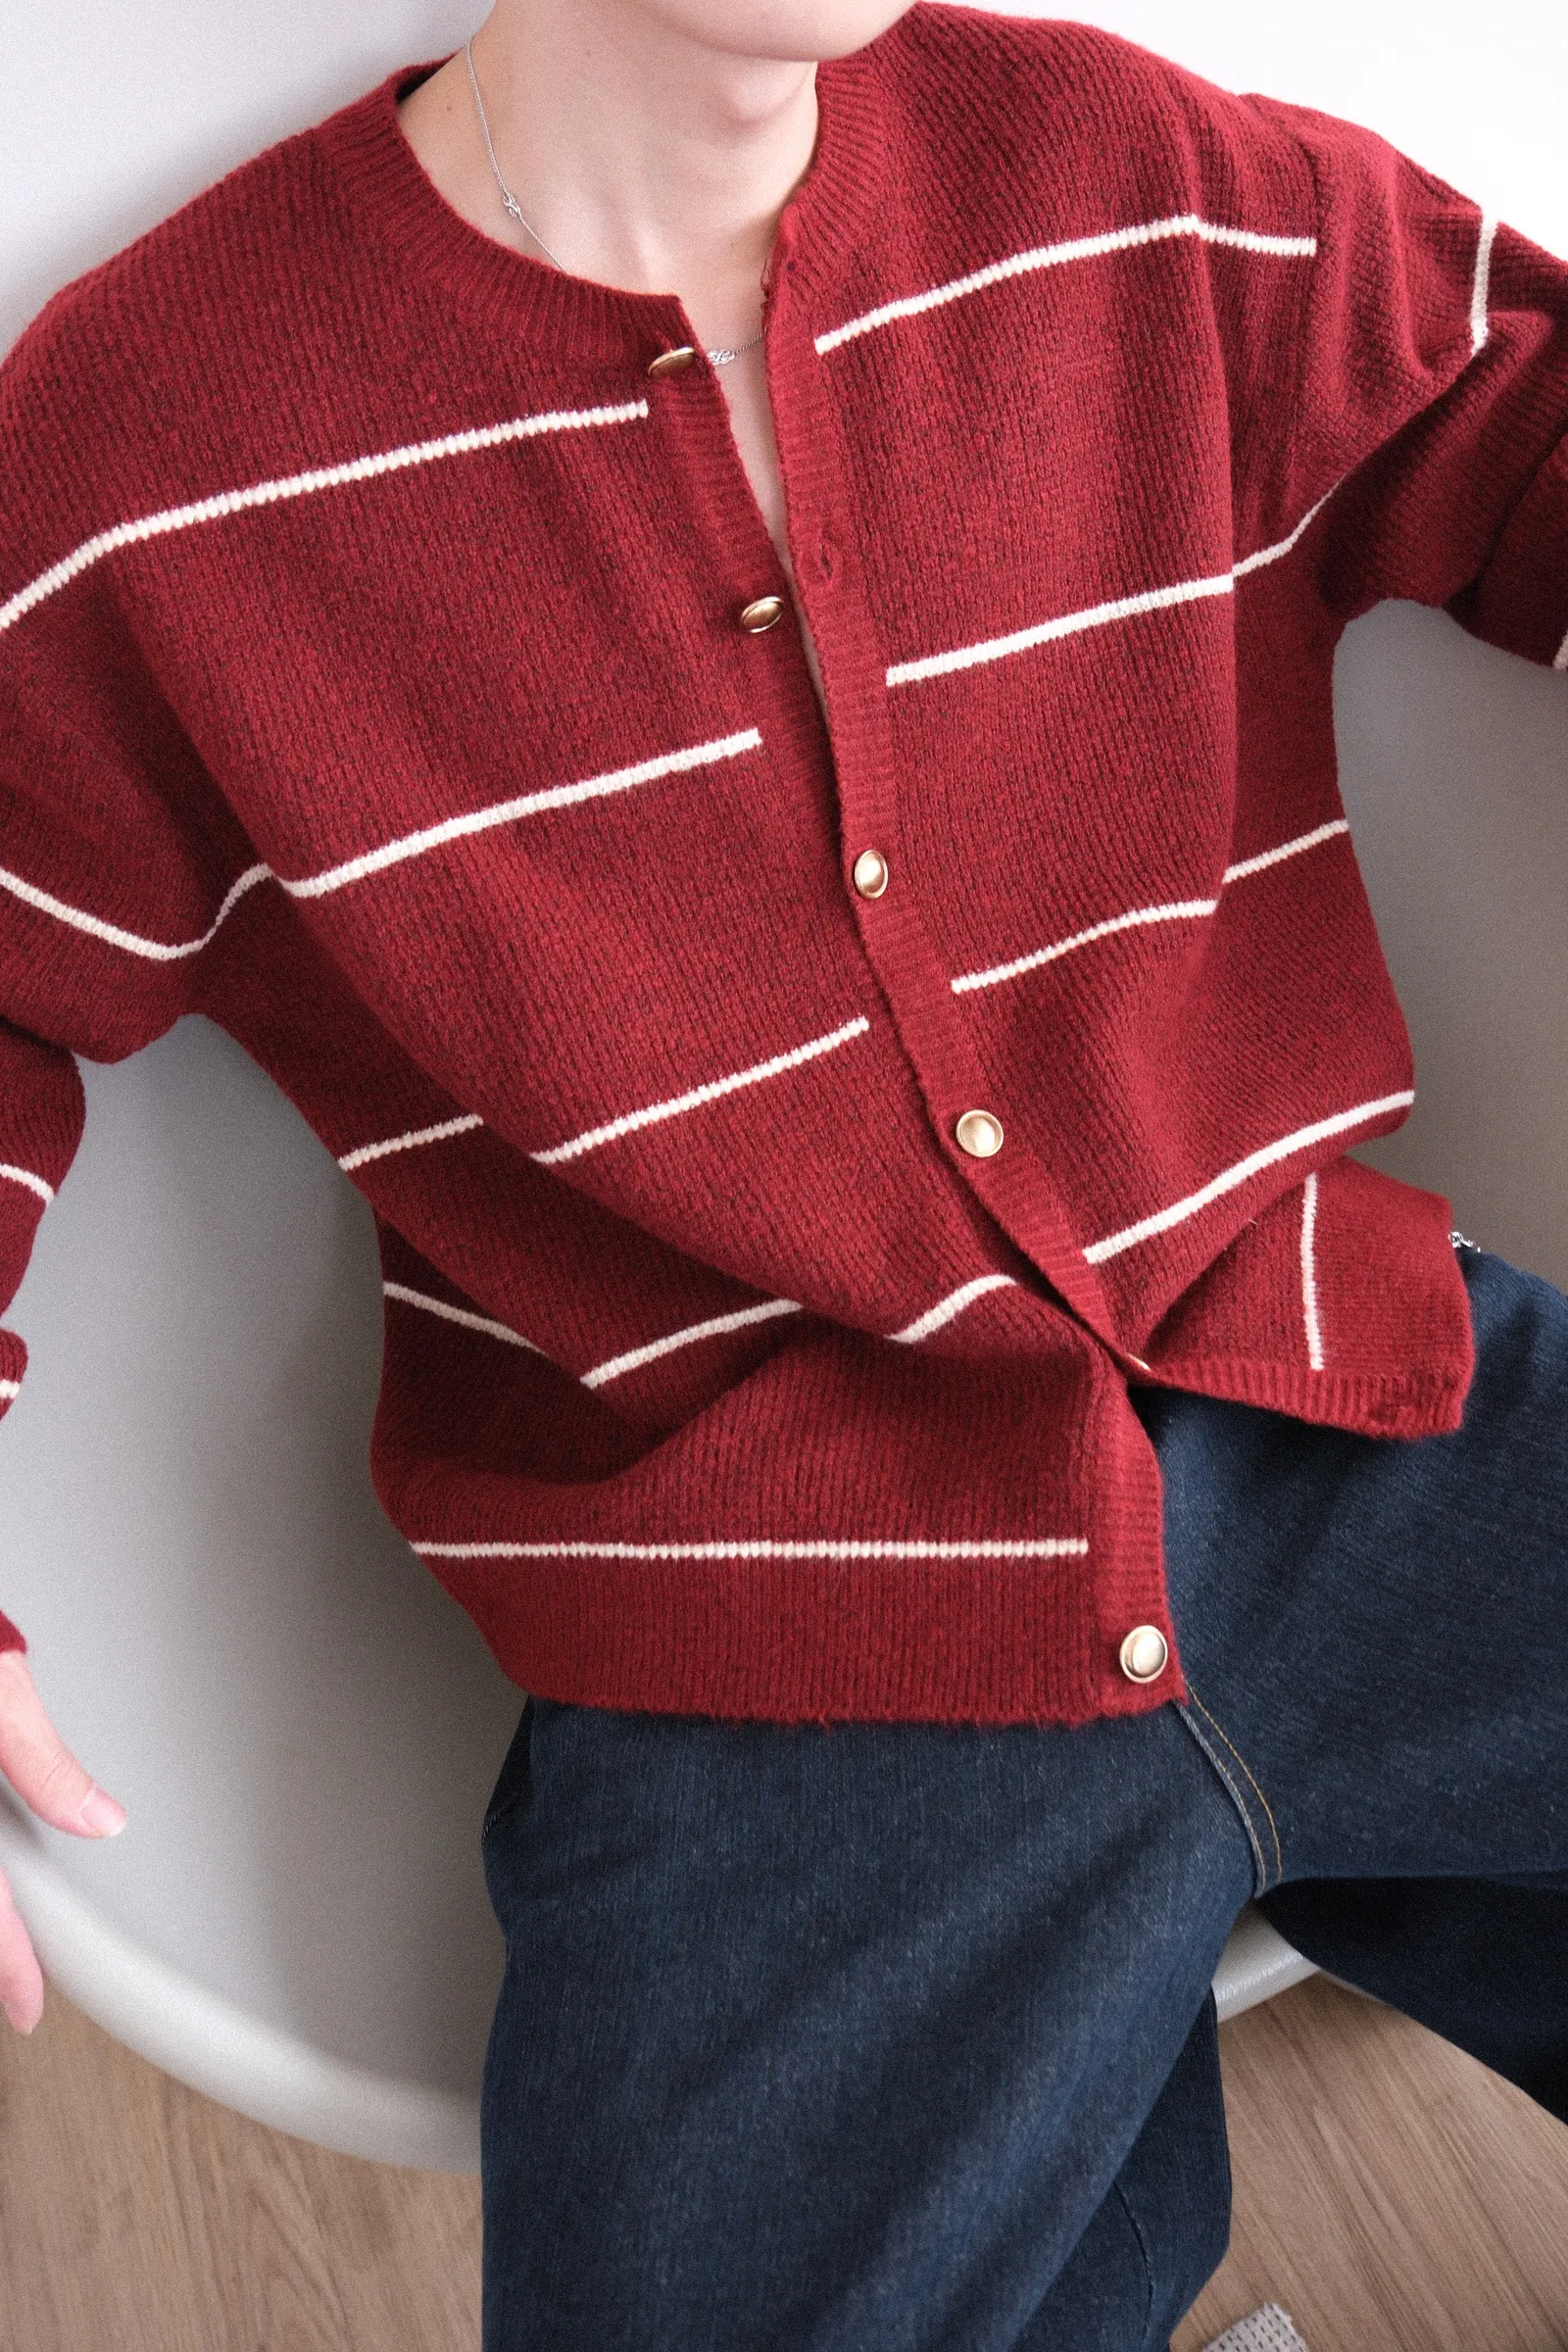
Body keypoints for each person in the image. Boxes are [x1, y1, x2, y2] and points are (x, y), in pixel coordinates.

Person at [1, 1, 1564, 2343]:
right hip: (767, 1627)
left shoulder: (1120, 170)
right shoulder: (149, 435)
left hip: (1354, 1407)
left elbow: (1516, 413)